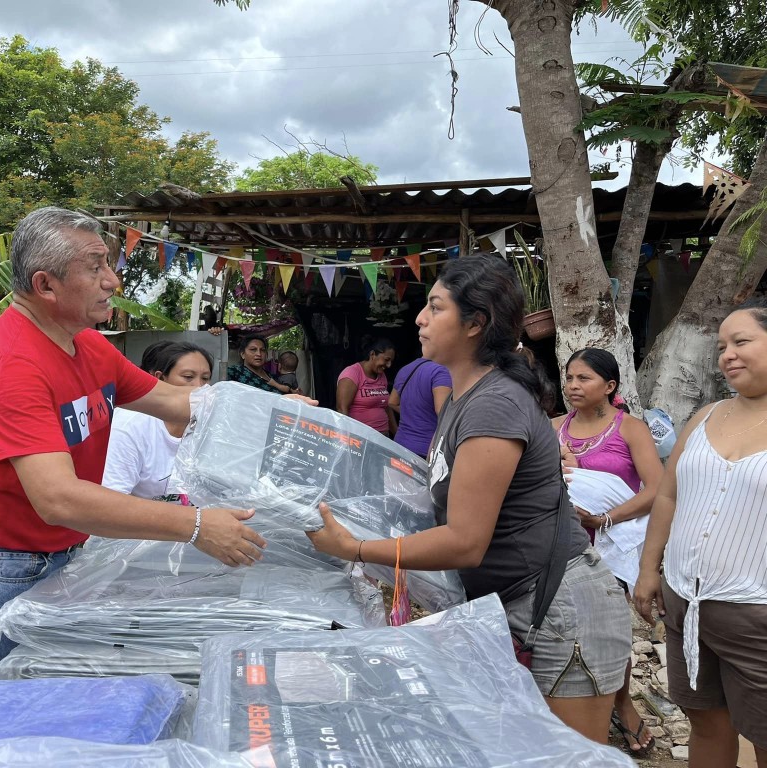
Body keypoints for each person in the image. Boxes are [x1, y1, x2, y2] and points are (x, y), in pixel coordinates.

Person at [0, 207, 275, 682]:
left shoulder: (89, 345)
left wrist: (277, 414)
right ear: (46, 285)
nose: (112, 281)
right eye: (96, 268)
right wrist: (195, 525)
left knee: (52, 705)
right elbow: (58, 498)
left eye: (109, 266)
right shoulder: (12, 363)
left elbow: (175, 402)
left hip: (63, 555)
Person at [307, 255, 630, 743]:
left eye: (435, 307)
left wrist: (354, 548)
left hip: (559, 607)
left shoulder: (493, 405)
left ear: (475, 323)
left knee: (566, 757)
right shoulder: (464, 399)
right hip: (516, 602)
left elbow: (464, 542)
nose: (419, 318)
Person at [634, 298, 767, 768]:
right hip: (684, 604)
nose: (727, 355)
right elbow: (668, 495)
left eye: (742, 342)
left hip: (756, 615)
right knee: (706, 723)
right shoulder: (706, 415)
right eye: (722, 346)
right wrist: (650, 569)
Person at [553, 347, 663, 755]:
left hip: (611, 545)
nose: (573, 386)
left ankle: (621, 702)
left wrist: (605, 519)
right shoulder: (552, 428)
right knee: (566, 629)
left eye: (584, 379)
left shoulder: (630, 429)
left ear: (610, 386)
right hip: (560, 545)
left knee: (609, 632)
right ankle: (576, 703)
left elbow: (656, 490)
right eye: (569, 378)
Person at [102, 342, 213, 501]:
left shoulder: (211, 426)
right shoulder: (129, 426)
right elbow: (111, 504)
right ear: (160, 378)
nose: (199, 387)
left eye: (205, 378)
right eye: (188, 377)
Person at [388, 357, 452, 458]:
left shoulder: (405, 369)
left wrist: (412, 413)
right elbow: (443, 412)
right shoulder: (440, 371)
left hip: (400, 445)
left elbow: (392, 402)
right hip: (425, 449)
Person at [336, 337, 396, 435]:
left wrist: (396, 434)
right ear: (372, 354)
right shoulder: (352, 373)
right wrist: (346, 438)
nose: (388, 365)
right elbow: (342, 409)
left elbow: (386, 407)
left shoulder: (381, 375)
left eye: (391, 361)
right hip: (361, 438)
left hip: (384, 437)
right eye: (386, 360)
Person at [226, 335, 294, 394]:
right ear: (243, 354)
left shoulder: (274, 377)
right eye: (253, 349)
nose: (259, 354)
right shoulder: (234, 372)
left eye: (262, 350)